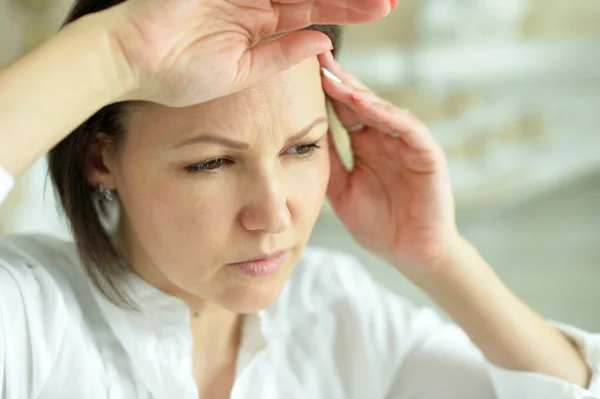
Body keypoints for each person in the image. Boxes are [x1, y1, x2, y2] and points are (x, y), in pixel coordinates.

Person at [0, 0, 598, 397]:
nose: (273, 213)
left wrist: (437, 256)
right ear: (101, 160)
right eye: (211, 162)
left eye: (303, 149)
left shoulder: (338, 312)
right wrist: (116, 54)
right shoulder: (28, 319)